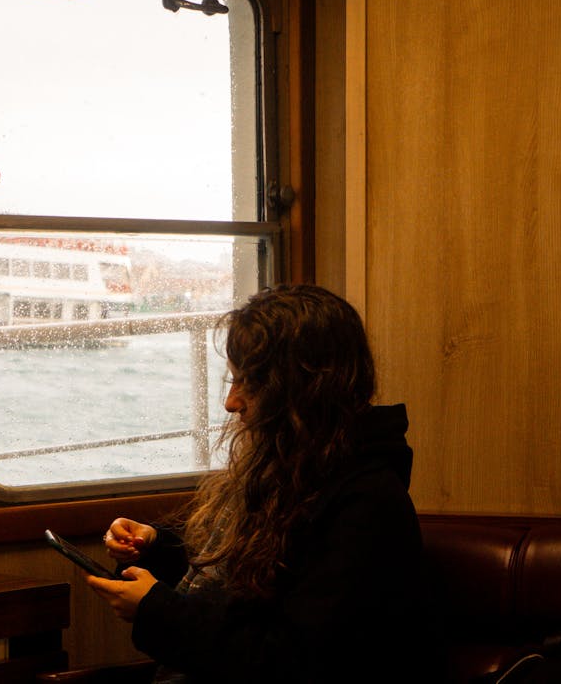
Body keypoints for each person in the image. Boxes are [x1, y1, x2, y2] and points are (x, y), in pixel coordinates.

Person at [86, 284, 439, 683]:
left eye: (250, 384)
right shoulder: (288, 471)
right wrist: (153, 546)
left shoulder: (367, 503)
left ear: (303, 388)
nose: (231, 403)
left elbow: (290, 660)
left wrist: (156, 611)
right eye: (233, 381)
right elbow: (232, 582)